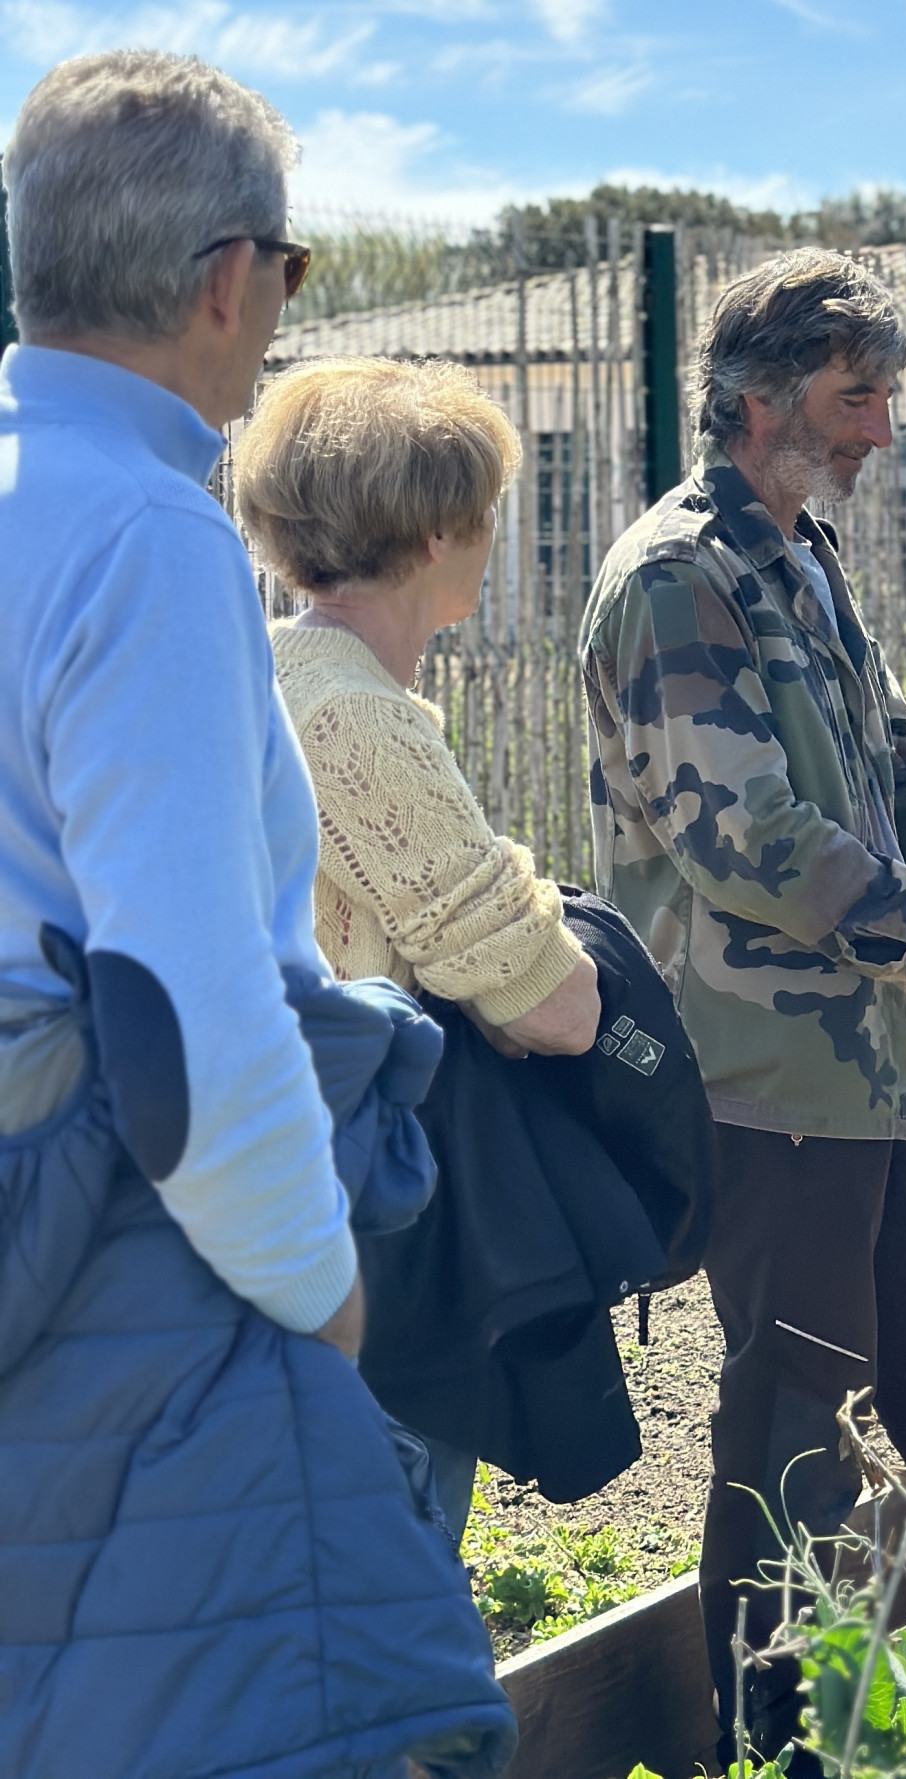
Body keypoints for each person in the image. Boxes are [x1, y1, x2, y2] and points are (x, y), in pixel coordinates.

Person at [0, 51, 512, 1777]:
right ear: (231, 277)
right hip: (135, 1263)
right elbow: (178, 1004)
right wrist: (318, 1290)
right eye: (291, 272)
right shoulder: (147, 536)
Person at [580, 248, 906, 1766]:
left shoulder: (797, 552)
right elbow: (754, 844)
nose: (883, 427)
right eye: (854, 397)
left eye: (884, 394)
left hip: (870, 1066)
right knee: (792, 1425)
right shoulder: (676, 580)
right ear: (757, 400)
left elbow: (898, 763)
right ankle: (776, 1739)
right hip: (760, 1078)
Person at [235, 355, 604, 1539]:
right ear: (442, 532)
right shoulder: (356, 720)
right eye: (486, 511)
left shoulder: (267, 669)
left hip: (266, 1197)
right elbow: (558, 1008)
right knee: (385, 1571)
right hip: (362, 1228)